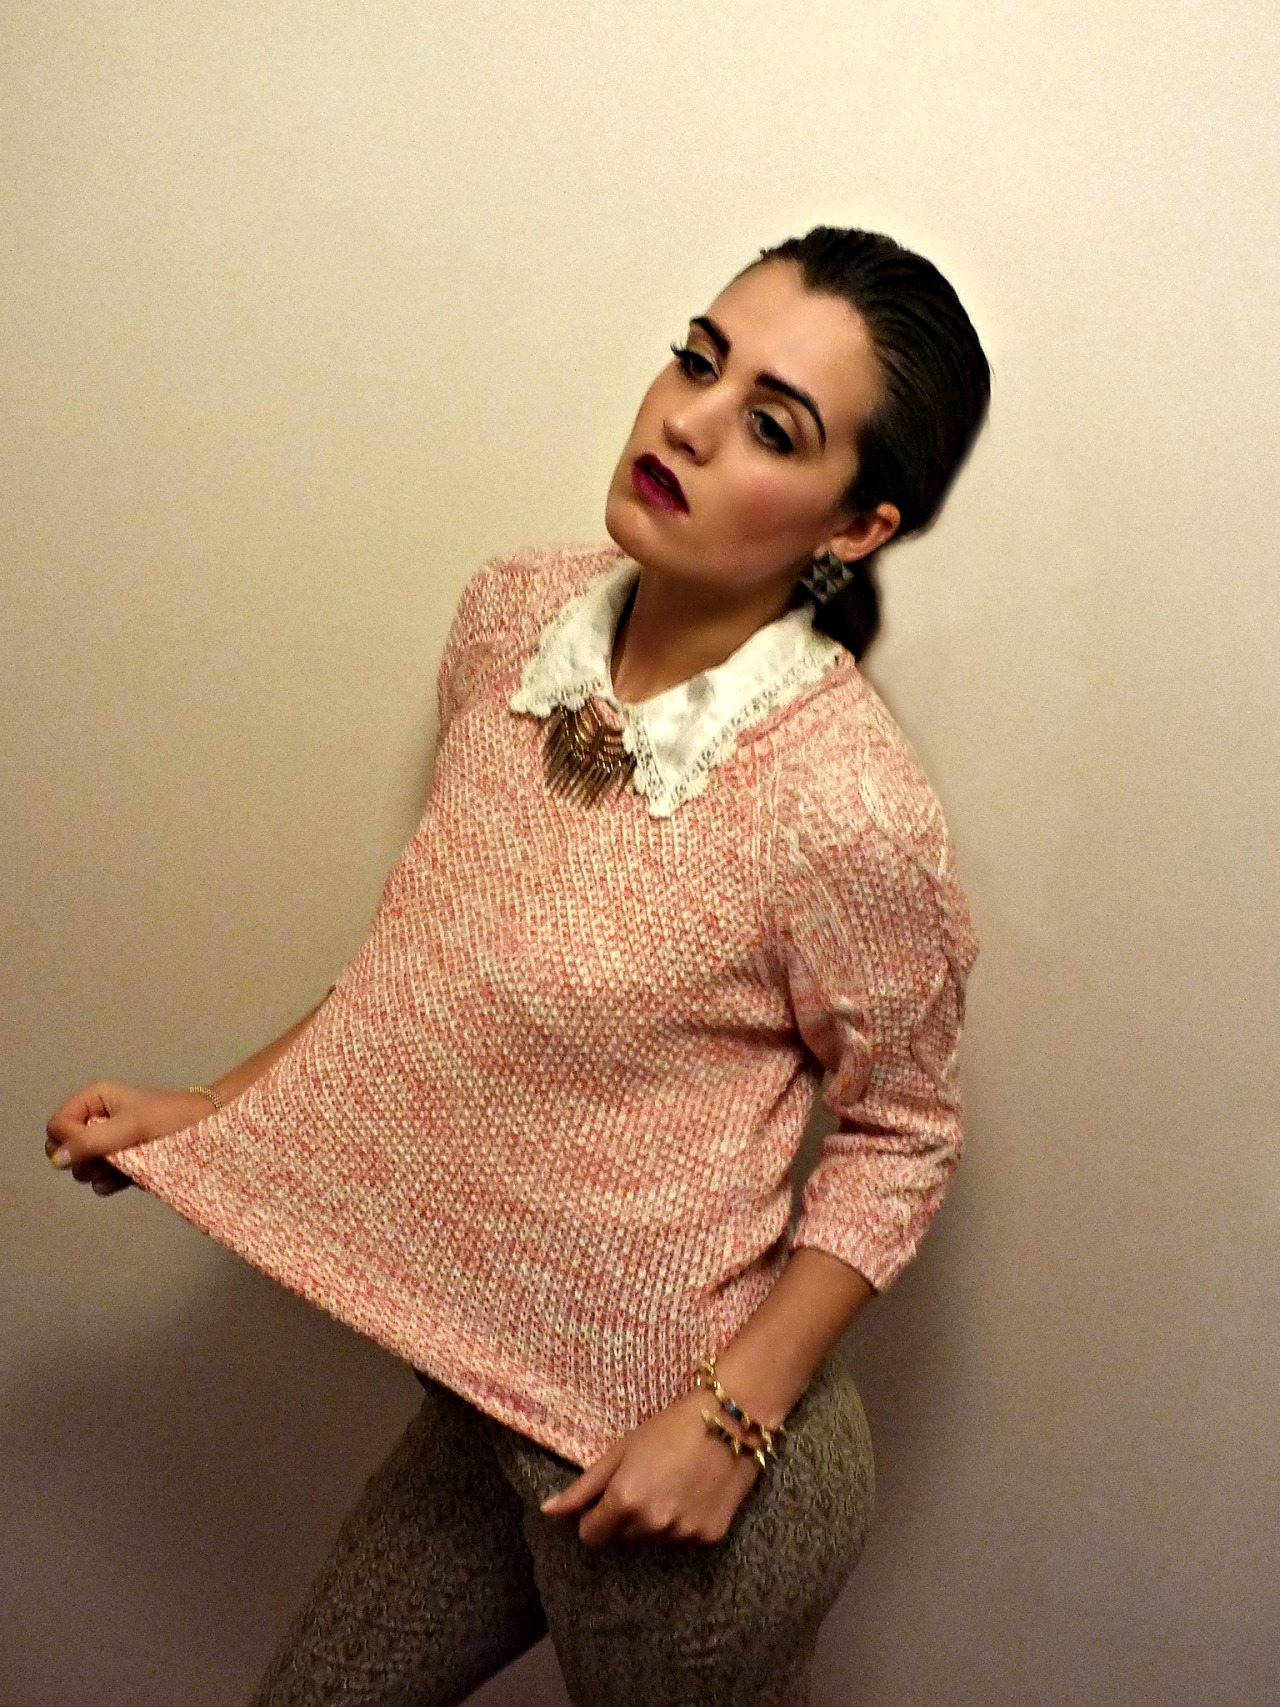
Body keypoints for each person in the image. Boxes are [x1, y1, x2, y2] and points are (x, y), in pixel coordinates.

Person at [46, 225, 991, 1706]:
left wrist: (728, 1425)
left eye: (771, 425)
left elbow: (904, 1132)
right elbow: (430, 972)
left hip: (674, 1472)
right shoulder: (510, 621)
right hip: (483, 1398)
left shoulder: (848, 804)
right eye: (698, 359)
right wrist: (215, 1111)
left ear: (857, 527)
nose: (687, 419)